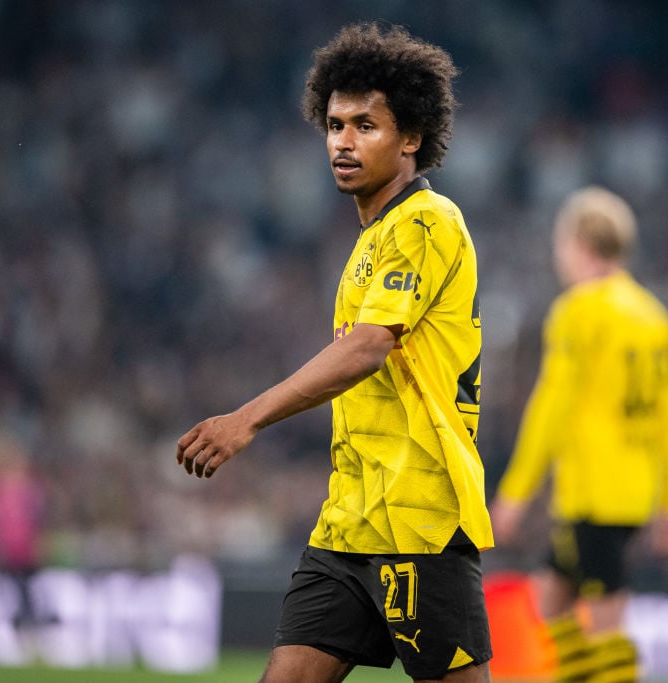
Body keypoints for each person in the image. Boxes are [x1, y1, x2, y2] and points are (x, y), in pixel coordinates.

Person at [177, 22, 495, 683]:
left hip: (420, 517)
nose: (343, 141)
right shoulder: (370, 240)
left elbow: (367, 350)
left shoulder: (426, 222)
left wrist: (248, 418)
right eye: (334, 124)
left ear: (411, 137)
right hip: (349, 522)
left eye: (365, 125)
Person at [490, 187, 668, 683]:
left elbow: (550, 408)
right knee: (552, 595)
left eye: (561, 242)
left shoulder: (578, 311)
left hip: (593, 492)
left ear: (580, 242)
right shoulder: (653, 316)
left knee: (605, 622)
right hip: (634, 488)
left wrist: (516, 492)